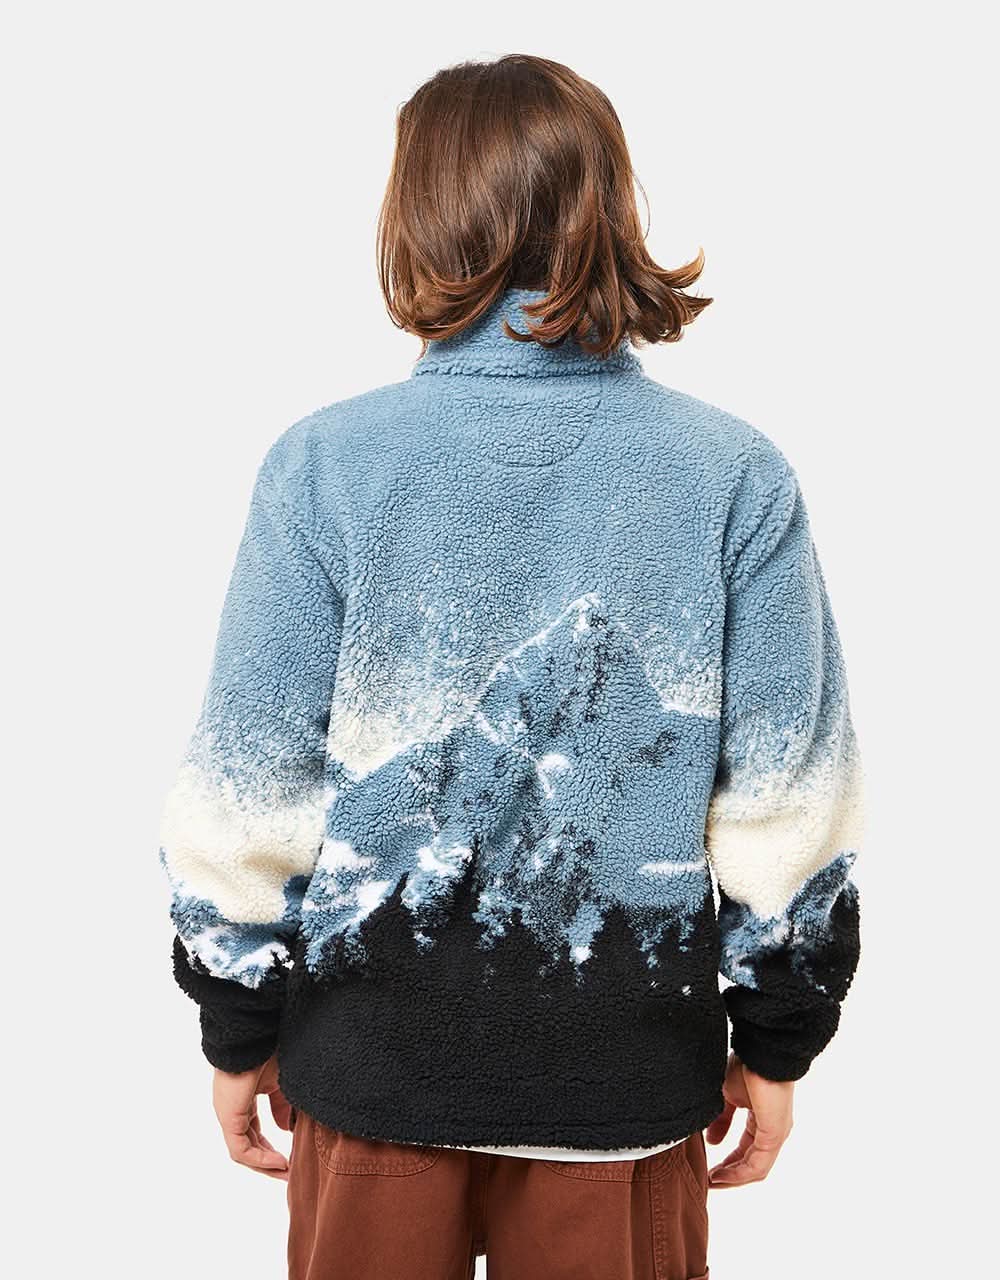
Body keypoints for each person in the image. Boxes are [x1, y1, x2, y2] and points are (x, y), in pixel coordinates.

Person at [159, 53, 865, 1280]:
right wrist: (777, 1038)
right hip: (624, 1101)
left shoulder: (325, 466)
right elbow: (788, 800)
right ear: (612, 209)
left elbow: (246, 786)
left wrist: (236, 1021)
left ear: (414, 220)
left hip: (371, 1084)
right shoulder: (730, 474)